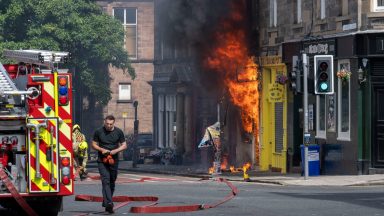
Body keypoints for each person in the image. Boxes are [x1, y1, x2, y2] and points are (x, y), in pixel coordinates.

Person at [92, 115, 127, 214]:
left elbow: (124, 145)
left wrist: (115, 151)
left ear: (114, 123)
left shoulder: (119, 132)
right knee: (105, 180)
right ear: (104, 122)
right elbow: (93, 144)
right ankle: (110, 203)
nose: (108, 126)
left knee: (112, 181)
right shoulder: (99, 131)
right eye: (107, 124)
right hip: (102, 160)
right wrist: (102, 150)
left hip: (113, 160)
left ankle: (106, 202)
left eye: (111, 124)